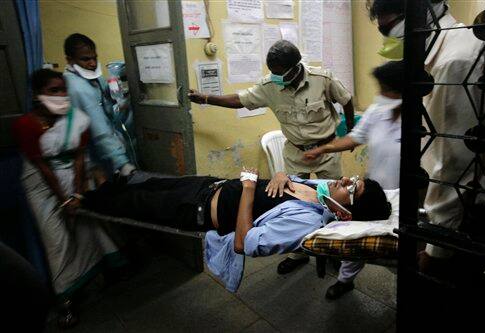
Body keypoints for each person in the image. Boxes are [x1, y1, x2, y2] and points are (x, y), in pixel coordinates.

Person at [367, 0, 485, 274]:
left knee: (442, 292)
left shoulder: (456, 62)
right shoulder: (448, 50)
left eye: (390, 27)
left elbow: (454, 165)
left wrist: (437, 249)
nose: (388, 38)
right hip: (469, 202)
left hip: (480, 211)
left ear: (423, 15)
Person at [188, 39, 356, 274]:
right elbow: (240, 100)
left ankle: (332, 248)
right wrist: (206, 98)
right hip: (296, 152)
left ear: (296, 68)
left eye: (280, 74)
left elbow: (346, 100)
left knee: (333, 203)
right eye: (273, 73)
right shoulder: (269, 86)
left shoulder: (322, 79)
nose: (275, 77)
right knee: (291, 202)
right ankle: (298, 251)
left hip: (326, 151)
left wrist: (349, 131)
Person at [82, 169, 391, 291]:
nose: (346, 181)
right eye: (354, 178)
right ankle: (103, 189)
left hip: (197, 209)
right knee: (146, 184)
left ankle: (82, 202)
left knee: (132, 202)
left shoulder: (307, 222)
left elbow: (244, 243)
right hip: (206, 185)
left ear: (345, 213)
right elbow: (295, 177)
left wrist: (247, 189)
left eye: (353, 189)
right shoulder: (321, 191)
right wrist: (283, 174)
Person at [12, 69, 126, 328]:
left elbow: (78, 158)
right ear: (37, 94)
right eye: (54, 91)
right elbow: (42, 167)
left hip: (73, 179)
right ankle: (66, 301)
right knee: (57, 241)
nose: (61, 95)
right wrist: (63, 200)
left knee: (88, 228)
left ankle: (104, 274)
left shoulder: (77, 120)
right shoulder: (26, 126)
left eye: (63, 90)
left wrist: (76, 195)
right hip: (42, 186)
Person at [304, 60, 404, 299]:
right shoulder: (377, 112)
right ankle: (345, 280)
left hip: (405, 196)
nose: (380, 93)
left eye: (385, 88)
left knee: (395, 251)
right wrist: (324, 149)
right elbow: (355, 138)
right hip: (371, 193)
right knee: (357, 239)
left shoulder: (420, 118)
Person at [63, 33, 136, 180]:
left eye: (94, 58)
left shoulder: (92, 77)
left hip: (107, 147)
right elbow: (99, 128)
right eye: (85, 59)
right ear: (70, 60)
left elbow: (108, 105)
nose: (92, 63)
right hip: (93, 152)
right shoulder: (77, 87)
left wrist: (119, 98)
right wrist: (121, 162)